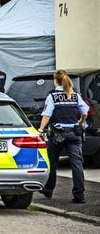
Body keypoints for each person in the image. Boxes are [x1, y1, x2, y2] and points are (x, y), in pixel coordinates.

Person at [38, 70, 89, 203]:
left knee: (52, 162)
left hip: (57, 134)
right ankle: (79, 195)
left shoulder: (52, 96)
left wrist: (40, 129)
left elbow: (47, 115)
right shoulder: (74, 95)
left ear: (55, 81)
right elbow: (85, 110)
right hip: (74, 132)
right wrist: (81, 122)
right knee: (77, 164)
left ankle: (48, 190)